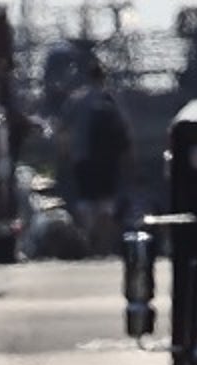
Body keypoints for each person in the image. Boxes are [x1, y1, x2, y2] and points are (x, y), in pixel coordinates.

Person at [65, 58, 132, 255]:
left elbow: (63, 128)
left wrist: (67, 155)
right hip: (108, 161)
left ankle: (88, 239)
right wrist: (128, 159)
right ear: (104, 77)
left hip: (82, 159)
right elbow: (124, 130)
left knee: (85, 201)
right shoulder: (111, 99)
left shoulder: (76, 99)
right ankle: (104, 243)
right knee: (106, 202)